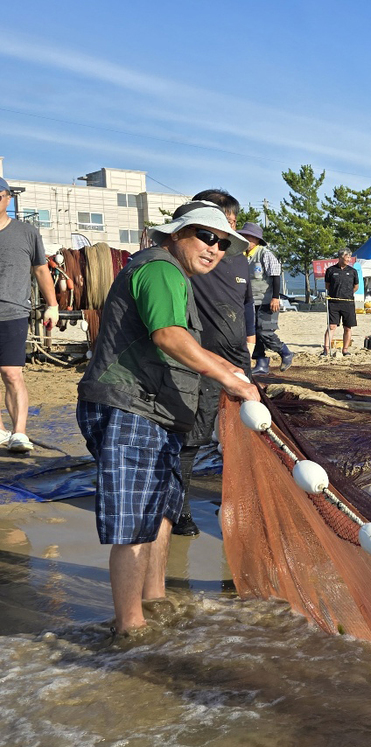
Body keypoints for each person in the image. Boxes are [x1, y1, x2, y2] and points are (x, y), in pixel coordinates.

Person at [76, 203, 259, 637]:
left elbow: (182, 339)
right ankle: (131, 629)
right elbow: (169, 337)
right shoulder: (160, 269)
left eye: (222, 243)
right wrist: (228, 379)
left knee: (160, 511)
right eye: (205, 236)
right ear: (176, 234)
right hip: (130, 404)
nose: (214, 248)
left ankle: (155, 602)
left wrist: (234, 373)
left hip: (158, 409)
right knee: (134, 520)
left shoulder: (177, 278)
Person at [172, 189, 253, 537]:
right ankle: (179, 510)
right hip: (200, 359)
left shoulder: (238, 258)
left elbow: (247, 301)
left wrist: (251, 337)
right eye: (216, 229)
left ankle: (233, 502)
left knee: (241, 436)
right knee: (193, 436)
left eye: (231, 226)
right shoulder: (188, 260)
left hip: (237, 358)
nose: (218, 245)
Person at [0, 177, 60, 454]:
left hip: (12, 312)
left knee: (12, 373)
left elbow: (41, 270)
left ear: (7, 198)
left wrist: (53, 304)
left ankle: (19, 433)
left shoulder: (26, 232)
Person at [243, 222, 294, 374]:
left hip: (266, 300)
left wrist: (275, 297)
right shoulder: (242, 256)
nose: (246, 240)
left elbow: (275, 275)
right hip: (250, 301)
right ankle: (261, 362)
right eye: (244, 237)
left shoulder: (265, 254)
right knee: (252, 332)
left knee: (265, 331)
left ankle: (285, 352)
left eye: (249, 238)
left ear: (256, 240)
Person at [322, 249, 359, 356]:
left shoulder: (353, 271)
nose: (348, 260)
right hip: (333, 302)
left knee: (348, 327)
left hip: (348, 302)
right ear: (340, 257)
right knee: (332, 326)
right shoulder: (330, 270)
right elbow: (327, 286)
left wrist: (347, 294)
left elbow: (356, 286)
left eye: (349, 258)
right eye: (346, 257)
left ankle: (345, 350)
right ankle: (326, 349)